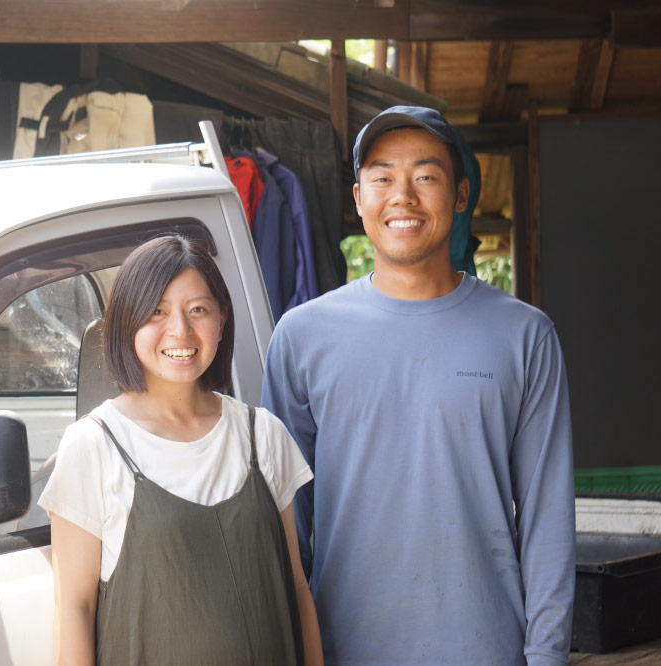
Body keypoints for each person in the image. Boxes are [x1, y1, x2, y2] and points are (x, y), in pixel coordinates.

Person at [262, 106, 575, 666]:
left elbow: (547, 517)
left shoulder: (525, 336)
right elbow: (285, 522)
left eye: (425, 177)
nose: (402, 196)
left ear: (459, 196)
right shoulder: (302, 336)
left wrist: (546, 658)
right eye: (382, 178)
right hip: (342, 650)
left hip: (487, 650)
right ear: (358, 199)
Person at [39, 235, 324, 666]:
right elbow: (74, 609)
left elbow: (296, 586)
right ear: (124, 322)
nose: (180, 330)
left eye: (198, 310)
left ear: (222, 321)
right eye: (157, 311)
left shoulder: (261, 434)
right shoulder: (94, 445)